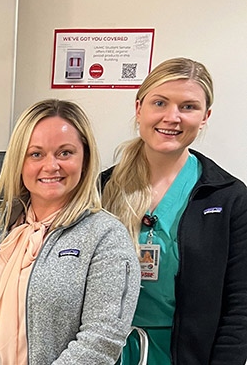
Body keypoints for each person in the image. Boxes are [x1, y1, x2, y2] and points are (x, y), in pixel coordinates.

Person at [0, 99, 141, 365]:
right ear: (19, 162)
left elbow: (102, 337)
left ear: (85, 158)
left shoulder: (106, 237)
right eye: (36, 154)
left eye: (65, 153)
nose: (51, 166)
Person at [102, 57, 247, 364]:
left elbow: (240, 305)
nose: (172, 117)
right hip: (105, 350)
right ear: (139, 108)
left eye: (188, 107)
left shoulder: (227, 197)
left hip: (184, 354)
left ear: (205, 116)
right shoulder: (101, 190)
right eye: (160, 103)